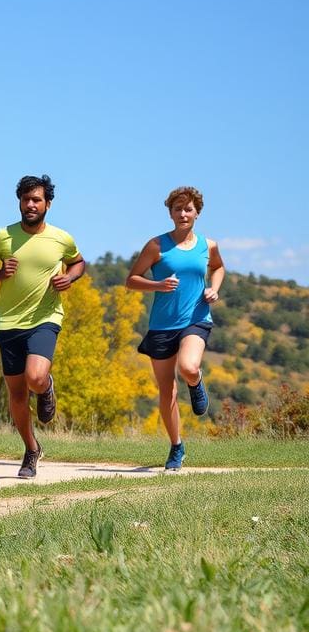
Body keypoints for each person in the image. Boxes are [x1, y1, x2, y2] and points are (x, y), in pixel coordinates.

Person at [0, 174, 85, 479]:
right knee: (17, 395)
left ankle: (46, 387)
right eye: (26, 199)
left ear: (47, 204)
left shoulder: (61, 238)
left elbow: (78, 262)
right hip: (8, 322)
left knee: (35, 377)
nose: (30, 204)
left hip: (44, 318)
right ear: (20, 202)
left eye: (36, 199)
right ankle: (31, 449)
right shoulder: (3, 237)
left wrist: (70, 277)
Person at [126, 186, 225, 471]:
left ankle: (196, 382)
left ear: (197, 212)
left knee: (189, 367)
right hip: (161, 325)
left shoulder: (209, 245)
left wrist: (214, 290)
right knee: (166, 391)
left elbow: (218, 268)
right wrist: (157, 285)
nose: (183, 213)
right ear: (170, 212)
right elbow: (131, 279)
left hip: (196, 318)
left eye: (188, 209)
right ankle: (176, 446)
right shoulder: (156, 246)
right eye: (178, 209)